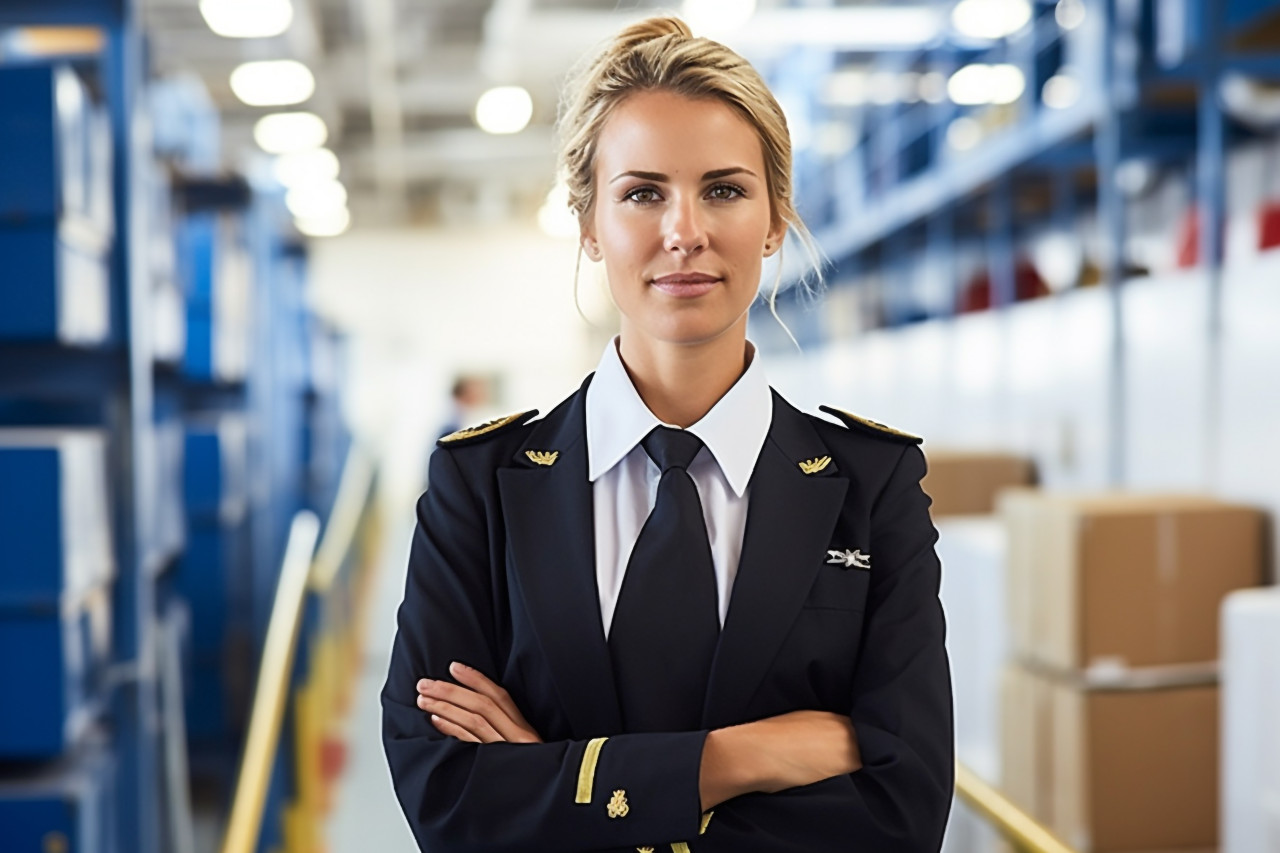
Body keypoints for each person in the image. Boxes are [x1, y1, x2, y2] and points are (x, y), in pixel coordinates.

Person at [382, 15, 953, 853]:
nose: (684, 231)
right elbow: (447, 798)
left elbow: (902, 815)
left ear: (774, 220)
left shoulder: (873, 490)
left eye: (724, 190)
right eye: (643, 193)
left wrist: (560, 782)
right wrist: (737, 758)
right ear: (589, 225)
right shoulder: (480, 487)